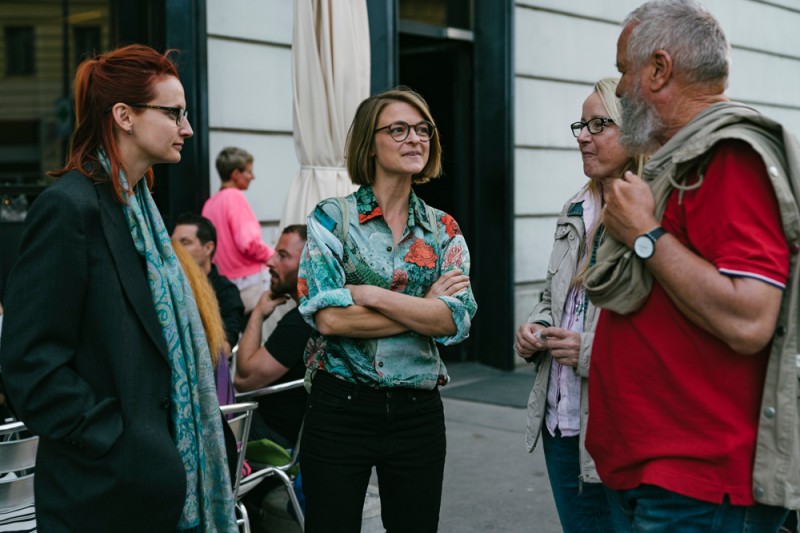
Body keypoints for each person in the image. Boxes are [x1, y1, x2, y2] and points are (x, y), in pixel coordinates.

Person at [582, 1, 800, 531]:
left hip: (696, 488)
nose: (622, 86)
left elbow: (750, 320)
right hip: (665, 481)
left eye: (624, 70)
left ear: (658, 70)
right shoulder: (684, 158)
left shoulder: (728, 158)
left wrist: (645, 235)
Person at [0, 44, 236, 531]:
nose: (187, 128)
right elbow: (30, 364)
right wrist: (116, 440)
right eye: (174, 113)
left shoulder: (141, 213)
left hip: (157, 488)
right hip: (102, 494)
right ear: (124, 116)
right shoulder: (69, 207)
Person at [297, 86, 478, 533]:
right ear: (369, 143)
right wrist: (424, 307)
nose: (414, 139)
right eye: (398, 129)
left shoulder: (444, 228)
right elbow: (329, 317)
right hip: (340, 408)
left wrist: (370, 294)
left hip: (418, 414)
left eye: (422, 130)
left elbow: (454, 320)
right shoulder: (331, 218)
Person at [515, 77, 640, 533]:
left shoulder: (651, 215)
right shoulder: (574, 207)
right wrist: (534, 327)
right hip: (561, 423)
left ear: (634, 133)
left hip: (618, 429)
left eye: (598, 124)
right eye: (580, 125)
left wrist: (590, 350)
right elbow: (553, 298)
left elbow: (661, 332)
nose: (582, 136)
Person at [234, 224, 311, 449]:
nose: (270, 262)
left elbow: (243, 381)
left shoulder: (300, 322)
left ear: (308, 265)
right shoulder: (315, 315)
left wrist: (257, 314)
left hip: (272, 438)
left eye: (283, 255)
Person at [202, 147, 274, 314]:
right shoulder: (235, 196)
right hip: (251, 281)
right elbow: (249, 243)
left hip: (226, 281)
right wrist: (273, 256)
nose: (252, 176)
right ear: (235, 174)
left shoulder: (210, 203)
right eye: (249, 171)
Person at [172, 212, 245, 351]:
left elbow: (225, 346)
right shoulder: (165, 286)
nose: (175, 250)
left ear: (208, 248)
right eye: (173, 243)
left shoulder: (226, 291)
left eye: (185, 243)